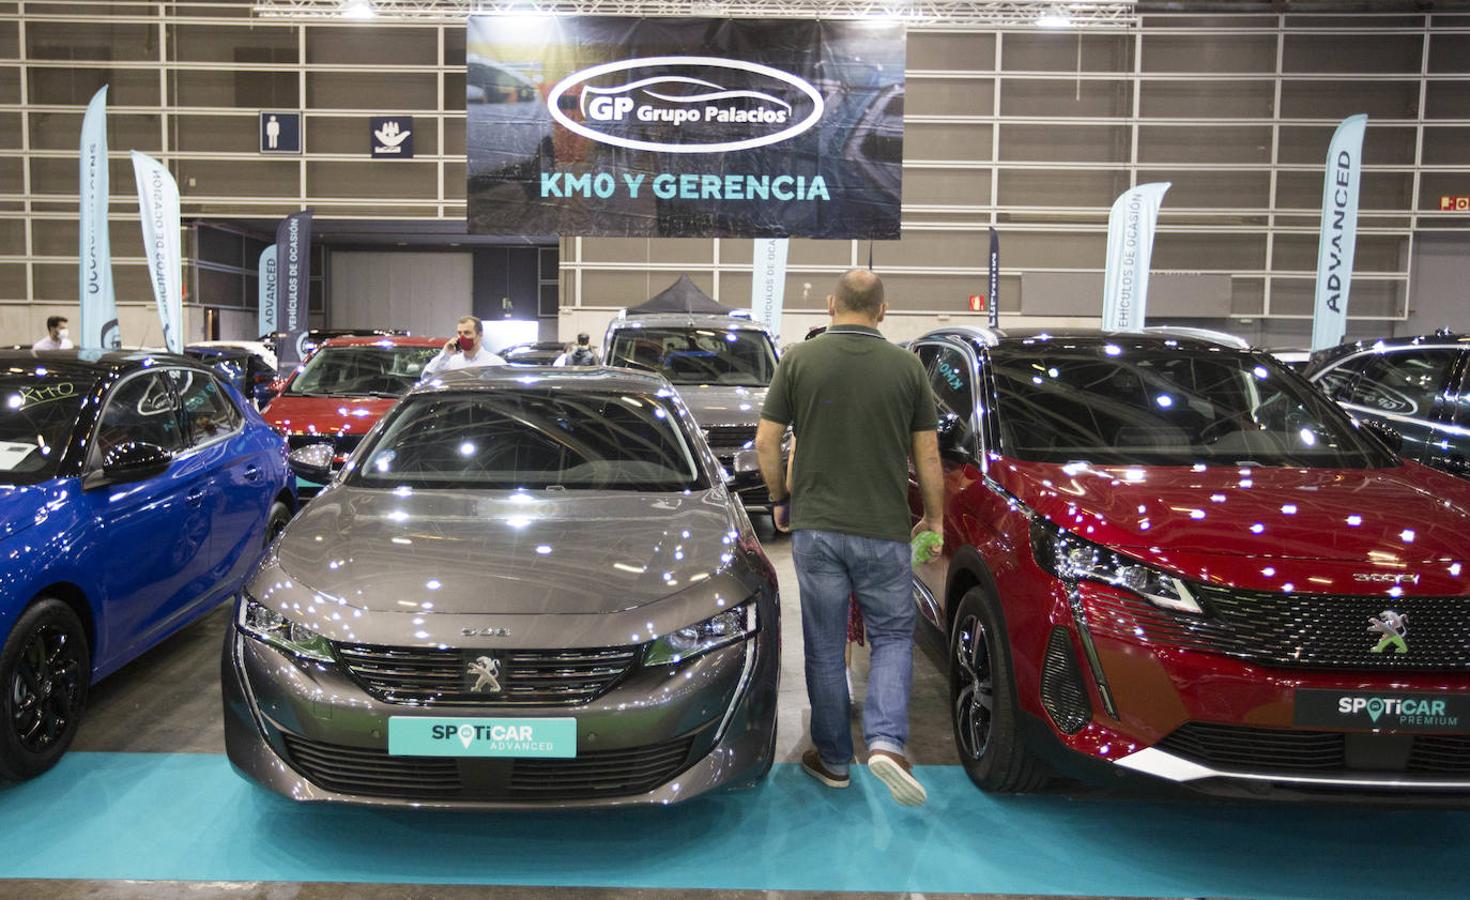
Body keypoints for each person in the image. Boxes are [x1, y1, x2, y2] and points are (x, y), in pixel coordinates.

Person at [755, 269, 944, 807]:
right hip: (884, 531)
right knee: (889, 638)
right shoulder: (908, 367)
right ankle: (887, 741)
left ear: (833, 305)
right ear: (882, 311)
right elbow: (927, 454)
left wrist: (779, 501)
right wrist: (934, 518)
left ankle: (834, 759)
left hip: (817, 529)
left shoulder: (798, 359)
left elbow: (767, 442)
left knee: (823, 642)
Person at [422, 315, 505, 377]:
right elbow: (426, 376)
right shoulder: (451, 362)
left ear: (480, 334)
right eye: (459, 333)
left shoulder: (495, 363)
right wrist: (445, 354)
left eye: (467, 333)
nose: (462, 337)